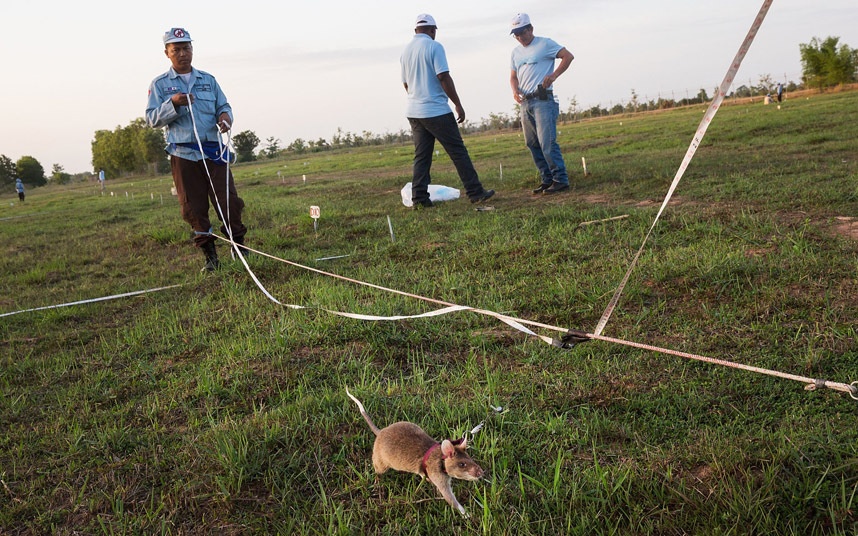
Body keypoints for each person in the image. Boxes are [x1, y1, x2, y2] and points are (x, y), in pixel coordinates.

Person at [145, 27, 248, 272]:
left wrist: (225, 117)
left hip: (214, 152)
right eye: (176, 49)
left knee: (229, 201)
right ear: (167, 53)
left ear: (192, 49)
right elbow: (151, 119)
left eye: (186, 48)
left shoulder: (208, 80)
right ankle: (210, 257)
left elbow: (224, 105)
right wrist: (173, 104)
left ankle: (239, 247)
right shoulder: (160, 85)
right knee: (193, 207)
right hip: (184, 154)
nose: (183, 53)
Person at [401, 14, 495, 209]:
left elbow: (406, 84)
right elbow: (443, 76)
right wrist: (457, 103)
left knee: (422, 156)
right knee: (458, 152)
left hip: (414, 111)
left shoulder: (406, 51)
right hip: (436, 110)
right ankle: (475, 192)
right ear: (432, 30)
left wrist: (417, 97)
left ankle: (419, 198)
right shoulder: (434, 47)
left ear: (416, 30)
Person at [509, 13, 575, 195]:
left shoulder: (545, 44)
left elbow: (568, 56)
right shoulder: (515, 52)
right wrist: (515, 91)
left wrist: (553, 75)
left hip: (543, 99)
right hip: (525, 102)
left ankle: (560, 179)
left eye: (522, 32)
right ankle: (547, 179)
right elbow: (513, 77)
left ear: (530, 29)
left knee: (547, 142)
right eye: (515, 34)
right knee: (532, 143)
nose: (519, 37)